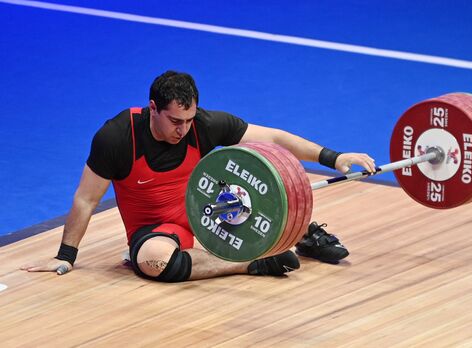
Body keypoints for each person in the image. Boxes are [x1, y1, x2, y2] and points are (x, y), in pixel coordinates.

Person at [21, 71, 375, 282]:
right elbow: (86, 198)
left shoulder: (202, 125)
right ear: (153, 109)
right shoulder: (116, 137)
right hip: (159, 227)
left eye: (189, 119)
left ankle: (296, 231)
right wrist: (66, 255)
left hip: (216, 210)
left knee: (258, 163)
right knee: (153, 264)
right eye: (176, 121)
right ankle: (257, 260)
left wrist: (334, 157)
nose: (183, 129)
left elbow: (275, 138)